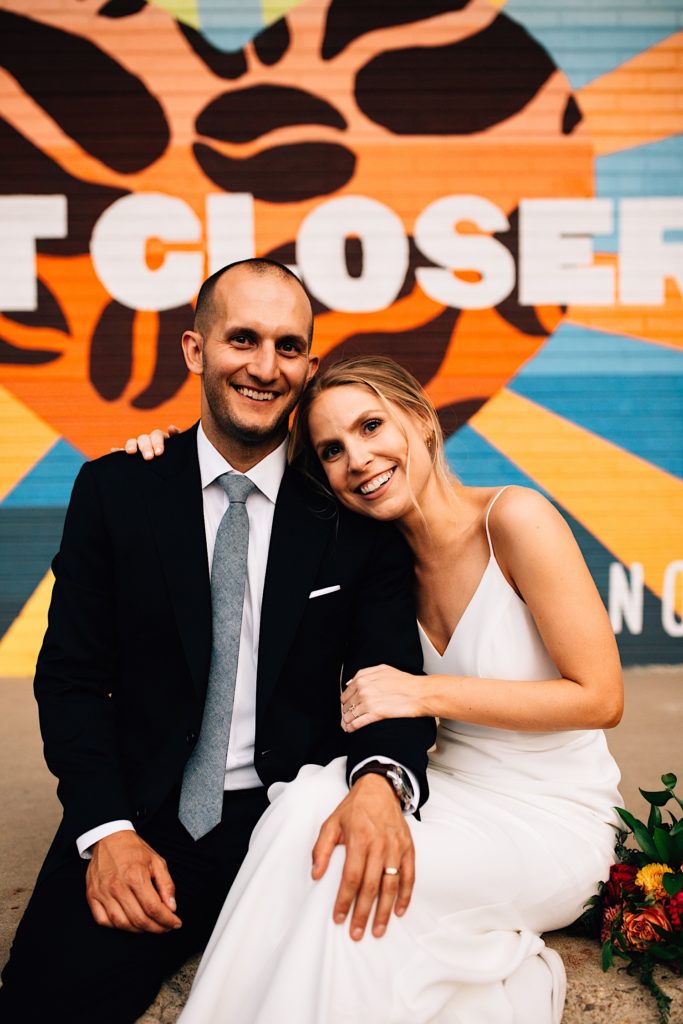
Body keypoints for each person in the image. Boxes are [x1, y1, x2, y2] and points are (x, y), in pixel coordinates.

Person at [0, 264, 436, 1024]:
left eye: (288, 346)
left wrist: (378, 783)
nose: (265, 367)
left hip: (293, 821)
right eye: (243, 339)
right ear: (196, 350)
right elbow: (71, 679)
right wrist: (106, 830)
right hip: (144, 814)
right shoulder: (116, 490)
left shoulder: (349, 509)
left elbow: (391, 676)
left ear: (308, 363)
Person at [132, 355, 624, 1023]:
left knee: (350, 871)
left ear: (420, 422)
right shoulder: (373, 559)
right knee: (302, 811)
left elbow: (599, 698)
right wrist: (165, 459)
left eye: (370, 426)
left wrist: (424, 695)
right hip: (449, 793)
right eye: (332, 450)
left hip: (552, 820)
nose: (357, 459)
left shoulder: (513, 519)